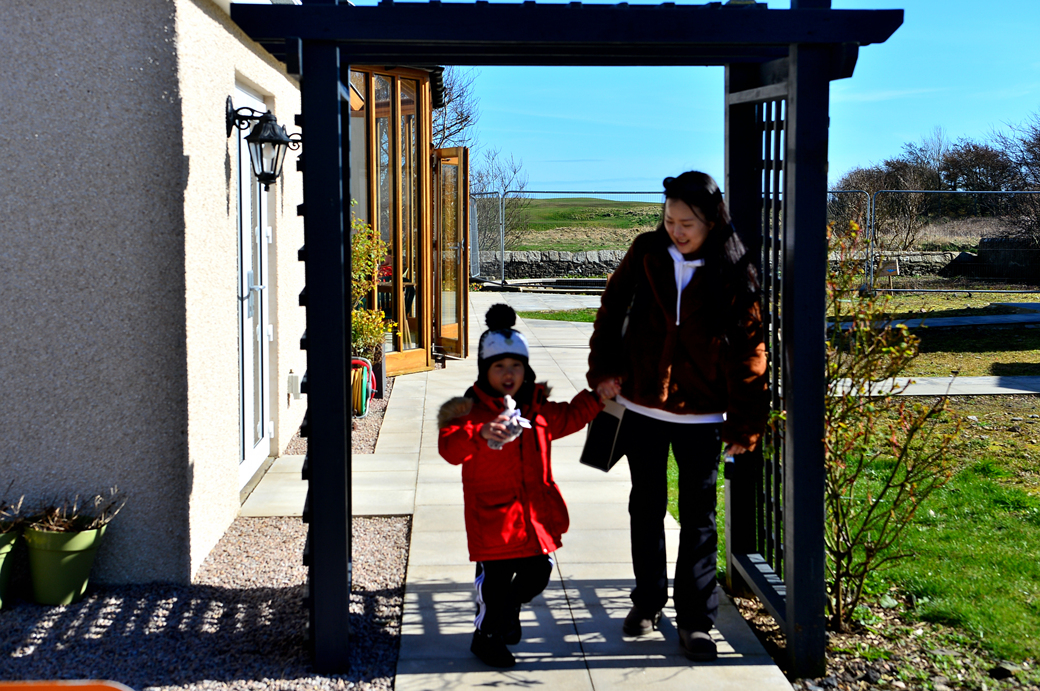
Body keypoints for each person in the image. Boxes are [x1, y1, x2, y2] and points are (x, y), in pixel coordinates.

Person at [586, 171, 768, 662]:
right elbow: (610, 310)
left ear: (712, 221)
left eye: (687, 223)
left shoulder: (733, 267)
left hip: (703, 416)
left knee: (699, 518)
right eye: (670, 220)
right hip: (641, 405)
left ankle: (695, 621)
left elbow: (750, 349)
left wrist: (745, 421)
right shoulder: (646, 252)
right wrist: (603, 370)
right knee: (644, 507)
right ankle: (647, 602)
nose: (676, 231)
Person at [438, 303, 603, 668]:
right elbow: (449, 448)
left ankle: (511, 607)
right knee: (494, 588)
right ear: (485, 370)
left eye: (516, 365)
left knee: (538, 572)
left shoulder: (537, 410)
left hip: (532, 516)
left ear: (526, 370)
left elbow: (571, 416)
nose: (508, 373)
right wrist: (480, 433)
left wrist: (598, 397)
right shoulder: (468, 412)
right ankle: (487, 638)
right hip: (492, 521)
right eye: (499, 366)